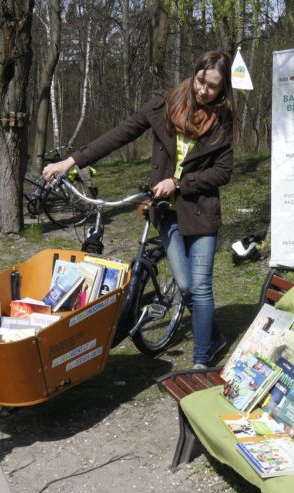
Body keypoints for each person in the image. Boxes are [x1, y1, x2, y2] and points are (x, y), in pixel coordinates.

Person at [43, 51, 234, 368]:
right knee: (185, 286)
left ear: (222, 90)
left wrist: (178, 183)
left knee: (199, 288)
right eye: (202, 81)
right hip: (167, 212)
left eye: (213, 87)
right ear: (194, 73)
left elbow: (223, 172)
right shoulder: (164, 105)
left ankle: (202, 360)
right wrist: (70, 162)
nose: (203, 91)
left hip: (201, 210)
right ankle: (213, 335)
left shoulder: (222, 122)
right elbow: (119, 134)